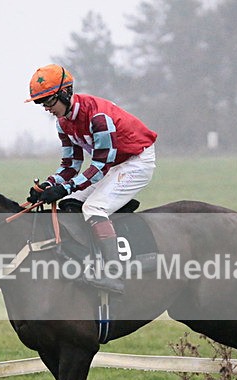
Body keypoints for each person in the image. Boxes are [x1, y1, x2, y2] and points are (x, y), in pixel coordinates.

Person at [24, 64, 157, 293]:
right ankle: (90, 258)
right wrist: (49, 185)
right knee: (70, 203)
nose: (46, 108)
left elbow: (101, 165)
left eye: (48, 101)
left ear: (65, 93)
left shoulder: (98, 117)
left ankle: (113, 274)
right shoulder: (62, 123)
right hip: (113, 165)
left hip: (136, 161)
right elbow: (70, 166)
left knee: (94, 207)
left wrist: (65, 188)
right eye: (41, 103)